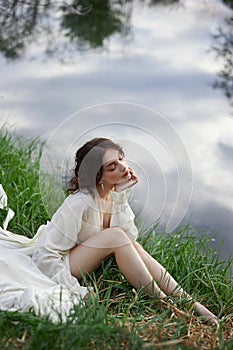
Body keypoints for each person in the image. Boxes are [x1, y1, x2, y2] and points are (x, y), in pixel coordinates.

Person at [31, 137, 218, 325]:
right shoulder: (79, 204)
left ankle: (189, 301)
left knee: (129, 242)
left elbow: (129, 238)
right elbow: (44, 256)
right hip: (63, 263)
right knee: (115, 236)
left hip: (82, 256)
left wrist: (120, 195)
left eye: (121, 158)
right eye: (112, 167)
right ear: (97, 176)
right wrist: (77, 289)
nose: (122, 167)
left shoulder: (111, 197)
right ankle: (166, 305)